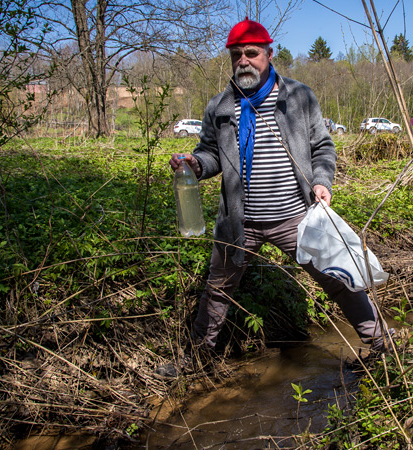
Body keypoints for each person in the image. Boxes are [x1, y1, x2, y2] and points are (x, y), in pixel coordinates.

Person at [158, 18, 393, 378]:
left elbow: (323, 147)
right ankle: (196, 362)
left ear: (269, 53)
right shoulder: (219, 107)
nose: (244, 61)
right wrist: (194, 163)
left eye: (251, 53)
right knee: (217, 290)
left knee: (338, 279)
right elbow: (210, 155)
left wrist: (322, 180)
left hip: (296, 216)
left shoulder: (299, 97)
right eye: (237, 55)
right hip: (240, 221)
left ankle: (385, 346)